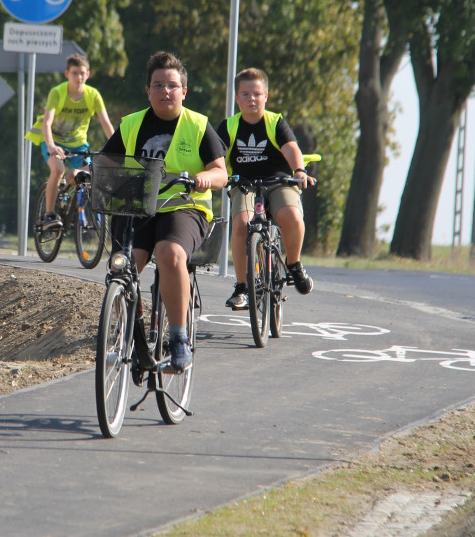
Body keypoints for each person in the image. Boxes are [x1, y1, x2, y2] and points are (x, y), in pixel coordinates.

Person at [101, 51, 228, 372]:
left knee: (170, 254)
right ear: (148, 90)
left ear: (184, 90)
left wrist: (204, 178)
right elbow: (106, 162)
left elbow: (221, 173)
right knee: (123, 269)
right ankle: (129, 333)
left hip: (184, 206)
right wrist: (83, 173)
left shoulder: (198, 125)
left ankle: (179, 339)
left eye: (172, 85)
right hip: (136, 208)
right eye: (158, 85)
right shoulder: (131, 124)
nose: (165, 91)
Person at [216, 67, 316, 309]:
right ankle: (242, 286)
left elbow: (292, 148)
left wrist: (299, 171)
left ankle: (293, 264)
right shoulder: (228, 127)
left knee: (291, 216)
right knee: (241, 224)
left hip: (278, 182)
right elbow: (216, 157)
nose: (252, 99)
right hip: (245, 185)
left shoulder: (275, 122)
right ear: (237, 97)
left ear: (266, 96)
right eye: (245, 94)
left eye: (257, 94)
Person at [25, 54, 115, 230]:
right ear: (67, 74)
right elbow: (47, 122)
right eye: (74, 73)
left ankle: (75, 204)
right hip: (54, 141)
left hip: (79, 145)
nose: (78, 77)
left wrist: (118, 149)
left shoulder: (93, 95)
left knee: (89, 174)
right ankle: (49, 214)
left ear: (88, 74)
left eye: (82, 73)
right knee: (57, 169)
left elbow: (106, 124)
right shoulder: (58, 92)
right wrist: (51, 145)